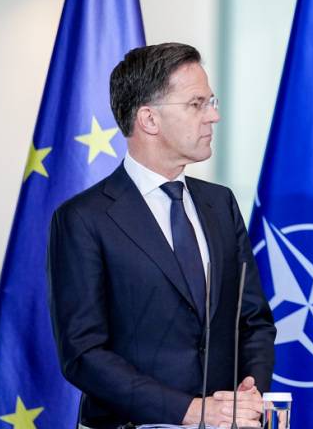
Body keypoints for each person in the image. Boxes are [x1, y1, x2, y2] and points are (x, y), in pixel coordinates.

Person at [47, 43, 276, 428]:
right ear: (149, 119)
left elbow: (253, 320)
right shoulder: (83, 218)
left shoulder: (220, 204)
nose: (214, 116)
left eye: (211, 101)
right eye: (196, 104)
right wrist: (187, 410)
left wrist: (249, 392)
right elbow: (83, 353)